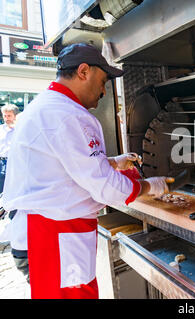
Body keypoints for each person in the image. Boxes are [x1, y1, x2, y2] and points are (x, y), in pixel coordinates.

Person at [1, 43, 169, 299]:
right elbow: (104, 187)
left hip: (46, 233)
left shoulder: (47, 106)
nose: (103, 91)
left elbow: (63, 165)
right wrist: (150, 186)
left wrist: (112, 161)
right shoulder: (67, 115)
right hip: (53, 237)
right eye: (103, 82)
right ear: (83, 71)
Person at [0, 103, 19, 193]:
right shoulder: (0, 129)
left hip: (14, 161)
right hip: (1, 161)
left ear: (15, 116)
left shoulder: (20, 130)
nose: (7, 118)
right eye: (5, 115)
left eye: (9, 116)